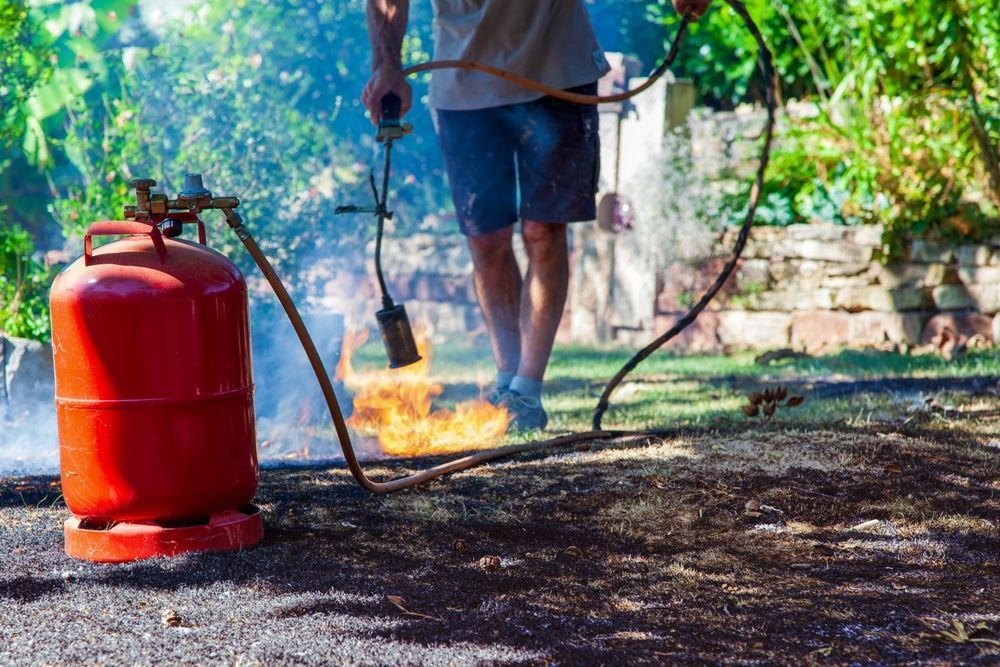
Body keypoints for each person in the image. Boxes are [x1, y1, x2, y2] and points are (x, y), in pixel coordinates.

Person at [364, 0, 711, 430]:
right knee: (486, 241)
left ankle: (526, 389)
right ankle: (506, 380)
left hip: (557, 69)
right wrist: (387, 65)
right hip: (463, 81)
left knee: (543, 231)